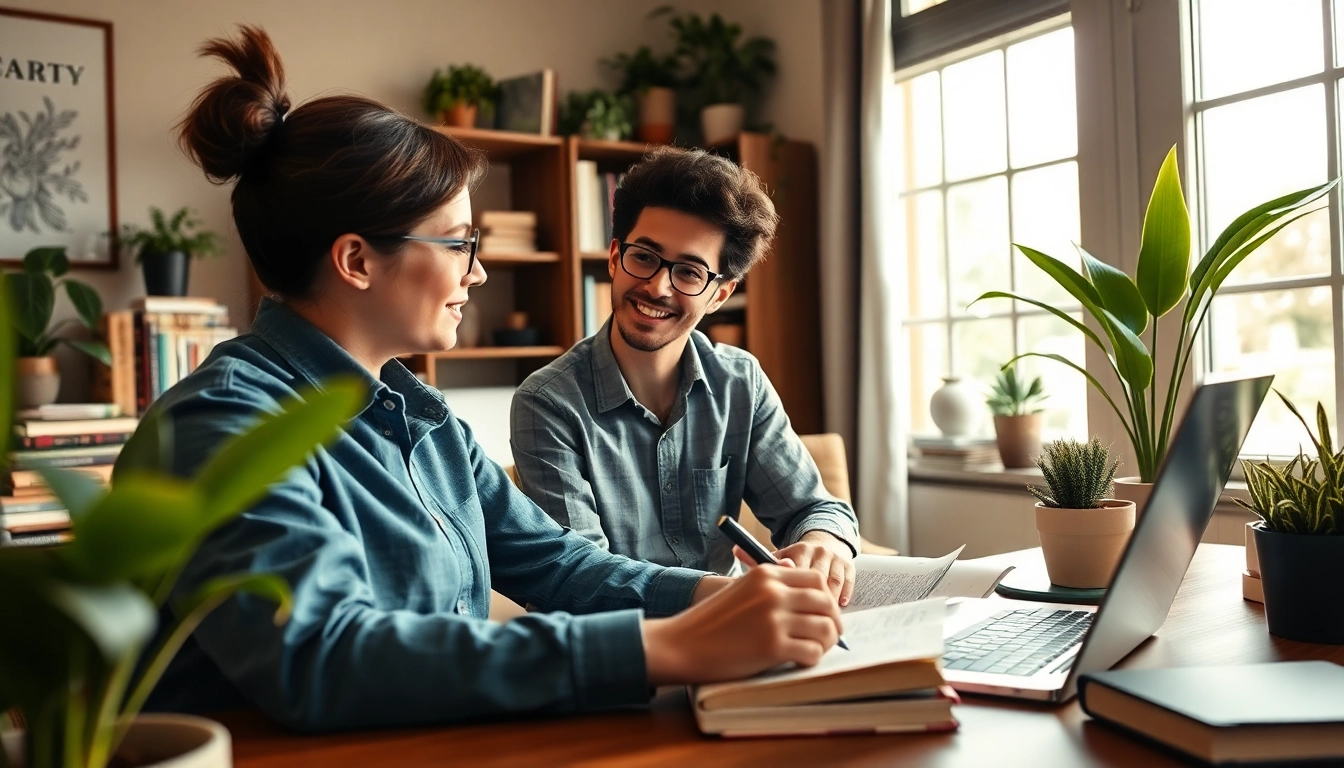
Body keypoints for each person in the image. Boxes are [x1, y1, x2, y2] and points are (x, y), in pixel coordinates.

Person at [122, 25, 843, 732]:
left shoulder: (421, 419)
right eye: (460, 242)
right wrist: (670, 645)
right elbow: (321, 656)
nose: (479, 270)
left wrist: (727, 601)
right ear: (357, 260)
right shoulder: (223, 424)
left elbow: (561, 567)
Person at [510, 147, 861, 605]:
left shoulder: (740, 382)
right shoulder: (547, 402)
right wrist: (726, 597)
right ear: (615, 257)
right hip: (623, 655)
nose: (657, 286)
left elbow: (814, 507)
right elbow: (582, 579)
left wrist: (824, 542)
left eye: (690, 272)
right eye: (644, 257)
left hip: (738, 636)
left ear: (719, 294)